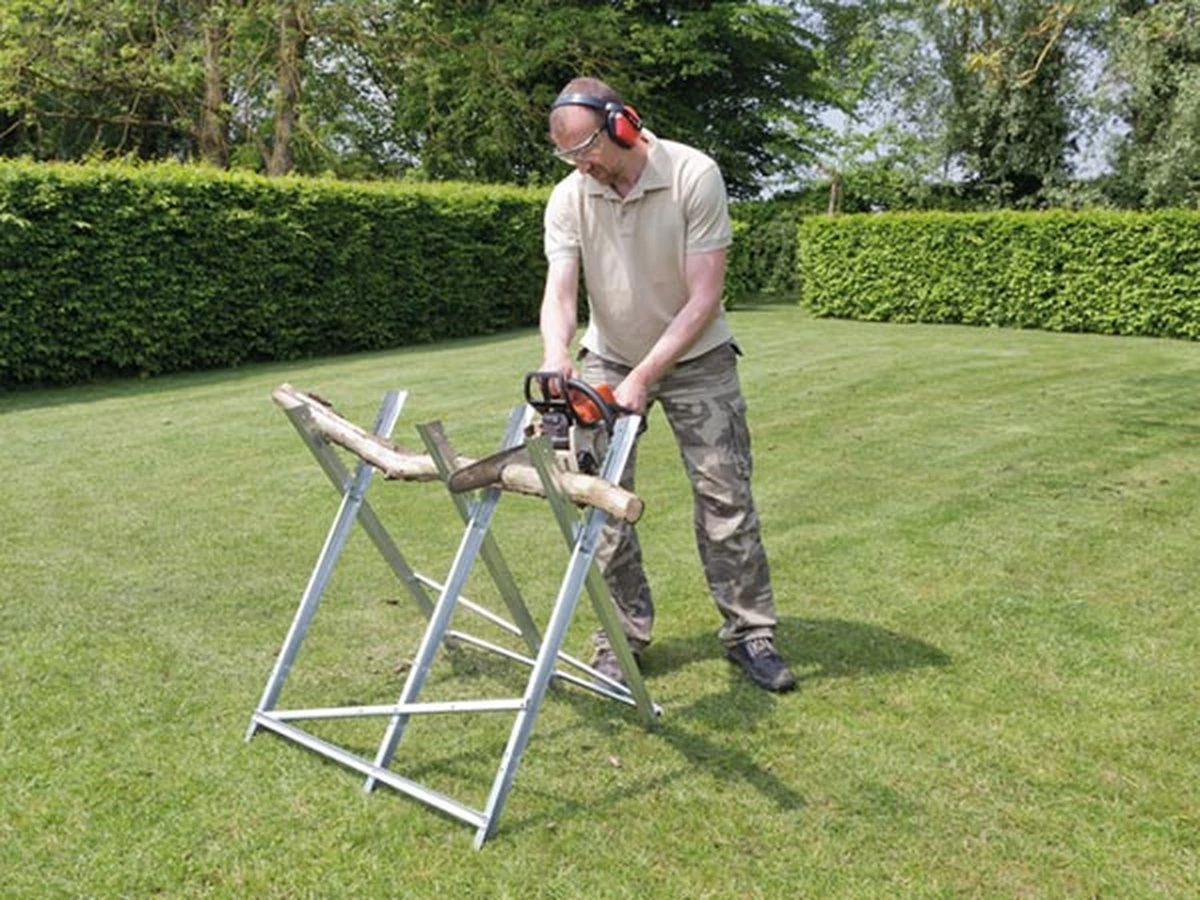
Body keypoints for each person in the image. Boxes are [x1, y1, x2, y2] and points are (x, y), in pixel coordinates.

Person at [538, 77, 796, 693]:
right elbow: (560, 290)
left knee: (724, 495)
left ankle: (749, 633)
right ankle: (619, 638)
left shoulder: (691, 175)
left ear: (623, 125)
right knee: (599, 503)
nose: (583, 167)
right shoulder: (570, 197)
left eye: (589, 151)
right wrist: (556, 356)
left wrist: (647, 375)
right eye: (569, 157)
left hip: (698, 359)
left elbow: (705, 296)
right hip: (607, 356)